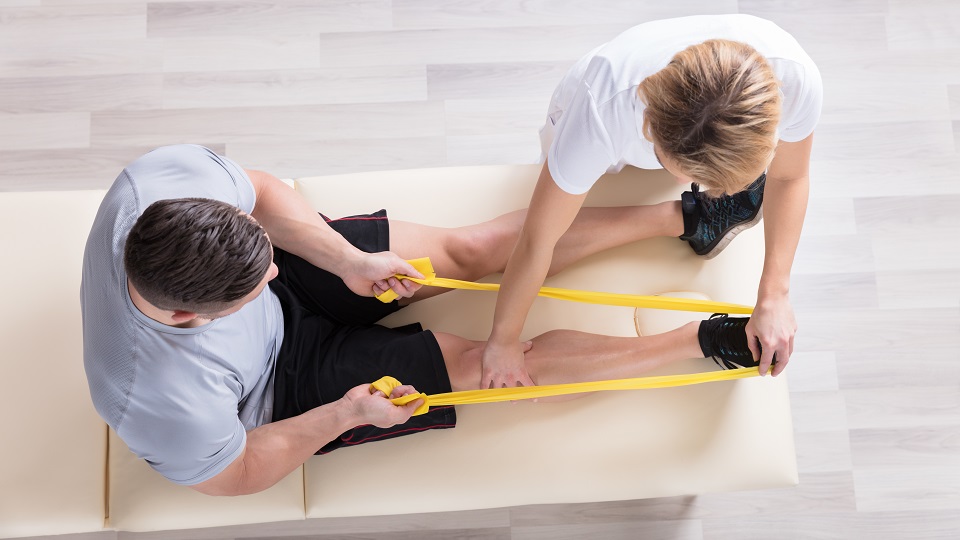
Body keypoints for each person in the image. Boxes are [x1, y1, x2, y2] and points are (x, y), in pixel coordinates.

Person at [82, 144, 759, 496]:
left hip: (306, 277)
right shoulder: (156, 400)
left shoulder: (163, 185)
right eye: (254, 284)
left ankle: (690, 218)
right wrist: (344, 416)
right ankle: (704, 339)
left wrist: (347, 260)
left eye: (265, 262)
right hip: (281, 389)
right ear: (181, 314)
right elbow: (235, 475)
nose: (273, 277)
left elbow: (258, 190)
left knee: (468, 251)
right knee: (485, 366)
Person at [480, 14, 822, 390]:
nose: (680, 182)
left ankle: (694, 219)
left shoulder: (795, 79)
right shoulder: (598, 117)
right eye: (668, 163)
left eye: (696, 180)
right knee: (541, 232)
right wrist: (502, 340)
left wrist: (775, 294)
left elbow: (789, 176)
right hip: (601, 128)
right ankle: (691, 217)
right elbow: (536, 240)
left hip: (687, 132)